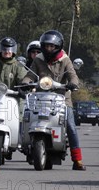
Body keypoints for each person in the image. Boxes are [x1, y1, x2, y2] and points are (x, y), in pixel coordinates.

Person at [22, 30, 86, 170]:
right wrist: (26, 82)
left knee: (70, 125)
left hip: (62, 97)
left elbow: (72, 75)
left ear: (58, 46)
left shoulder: (65, 59)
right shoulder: (38, 59)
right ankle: (27, 147)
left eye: (52, 46)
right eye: (46, 46)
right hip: (41, 96)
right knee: (28, 117)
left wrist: (73, 84)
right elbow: (30, 75)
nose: (48, 49)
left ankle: (77, 159)